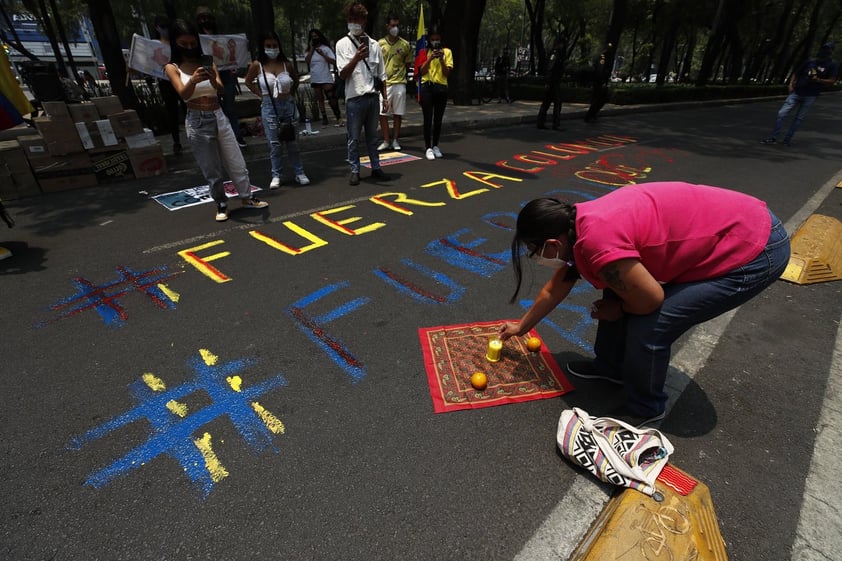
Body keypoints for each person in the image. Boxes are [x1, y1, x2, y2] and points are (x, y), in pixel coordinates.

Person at [498, 182, 790, 427]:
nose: (536, 257)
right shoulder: (577, 224)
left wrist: (621, 310)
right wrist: (522, 327)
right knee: (619, 287)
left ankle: (646, 408)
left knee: (649, 324)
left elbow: (650, 299)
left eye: (535, 250)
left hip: (754, 247)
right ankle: (611, 367)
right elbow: (555, 289)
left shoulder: (597, 241)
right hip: (735, 224)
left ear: (552, 244)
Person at [164, 19, 268, 222]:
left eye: (192, 43)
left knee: (235, 159)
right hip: (197, 118)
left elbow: (220, 88)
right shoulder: (172, 67)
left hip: (218, 113)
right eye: (183, 44)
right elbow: (184, 94)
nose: (189, 48)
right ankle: (221, 203)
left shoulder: (207, 61)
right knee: (211, 166)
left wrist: (212, 78)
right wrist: (193, 80)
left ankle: (247, 196)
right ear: (175, 44)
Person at [244, 32, 310, 189]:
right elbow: (248, 82)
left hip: (288, 104)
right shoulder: (257, 65)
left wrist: (290, 95)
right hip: (269, 106)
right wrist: (261, 95)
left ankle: (299, 172)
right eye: (268, 46)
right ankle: (276, 174)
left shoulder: (286, 64)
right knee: (275, 144)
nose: (272, 49)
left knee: (293, 142)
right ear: (262, 47)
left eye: (275, 46)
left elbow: (295, 80)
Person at [336, 2, 391, 186]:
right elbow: (342, 74)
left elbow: (381, 74)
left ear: (364, 22)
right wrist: (356, 58)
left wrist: (385, 97)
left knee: (372, 137)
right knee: (353, 138)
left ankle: (376, 167)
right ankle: (355, 170)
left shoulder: (374, 45)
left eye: (356, 20)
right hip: (354, 99)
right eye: (350, 20)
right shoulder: (342, 44)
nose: (353, 23)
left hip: (373, 97)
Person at [761, 42, 838, 146]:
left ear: (831, 51)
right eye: (824, 48)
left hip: (811, 95)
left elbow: (832, 81)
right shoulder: (810, 61)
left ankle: (787, 140)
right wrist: (791, 85)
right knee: (781, 114)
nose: (825, 51)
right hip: (797, 92)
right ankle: (773, 137)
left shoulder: (832, 65)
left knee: (798, 118)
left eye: (828, 49)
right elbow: (796, 73)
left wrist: (818, 80)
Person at [196, 7, 247, 147]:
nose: (204, 21)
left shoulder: (222, 38)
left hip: (226, 74)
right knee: (216, 108)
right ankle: (223, 138)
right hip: (209, 75)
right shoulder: (197, 40)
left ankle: (237, 136)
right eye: (201, 19)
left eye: (206, 18)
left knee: (230, 107)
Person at [376, 15, 414, 151]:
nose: (395, 28)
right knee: (382, 113)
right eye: (392, 25)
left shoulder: (405, 44)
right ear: (387, 26)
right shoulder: (379, 44)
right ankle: (386, 140)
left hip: (399, 83)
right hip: (384, 83)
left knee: (398, 113)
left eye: (397, 25)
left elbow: (407, 63)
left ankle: (395, 140)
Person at [417, 25, 452, 161]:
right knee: (428, 118)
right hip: (427, 87)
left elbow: (447, 73)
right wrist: (430, 58)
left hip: (441, 87)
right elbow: (422, 71)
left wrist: (442, 59)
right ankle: (428, 147)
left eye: (437, 40)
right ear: (429, 39)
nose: (435, 42)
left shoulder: (447, 52)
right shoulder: (424, 51)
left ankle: (436, 145)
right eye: (433, 39)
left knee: (438, 119)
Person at [154, 15, 183, 154]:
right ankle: (176, 141)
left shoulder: (176, 44)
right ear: (157, 28)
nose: (165, 30)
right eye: (162, 27)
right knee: (172, 112)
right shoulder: (154, 46)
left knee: (186, 107)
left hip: (180, 79)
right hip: (165, 82)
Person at [305, 29, 343, 127]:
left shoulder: (325, 48)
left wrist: (323, 54)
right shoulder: (309, 50)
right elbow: (307, 61)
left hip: (325, 77)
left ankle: (338, 116)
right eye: (312, 37)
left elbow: (334, 61)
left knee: (331, 97)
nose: (314, 38)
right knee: (320, 99)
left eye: (316, 36)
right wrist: (312, 49)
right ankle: (324, 118)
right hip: (315, 77)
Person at [537, 37, 565, 130]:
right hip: (553, 82)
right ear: (558, 44)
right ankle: (555, 124)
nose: (562, 46)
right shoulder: (554, 54)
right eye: (561, 44)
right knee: (557, 103)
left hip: (553, 82)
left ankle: (541, 122)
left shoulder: (557, 54)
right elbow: (550, 69)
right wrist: (548, 82)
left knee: (546, 103)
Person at [584, 43, 611, 123]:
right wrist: (602, 82)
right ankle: (589, 115)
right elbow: (600, 70)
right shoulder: (602, 57)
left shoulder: (604, 57)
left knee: (600, 99)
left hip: (599, 82)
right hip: (599, 82)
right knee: (598, 100)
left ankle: (592, 114)